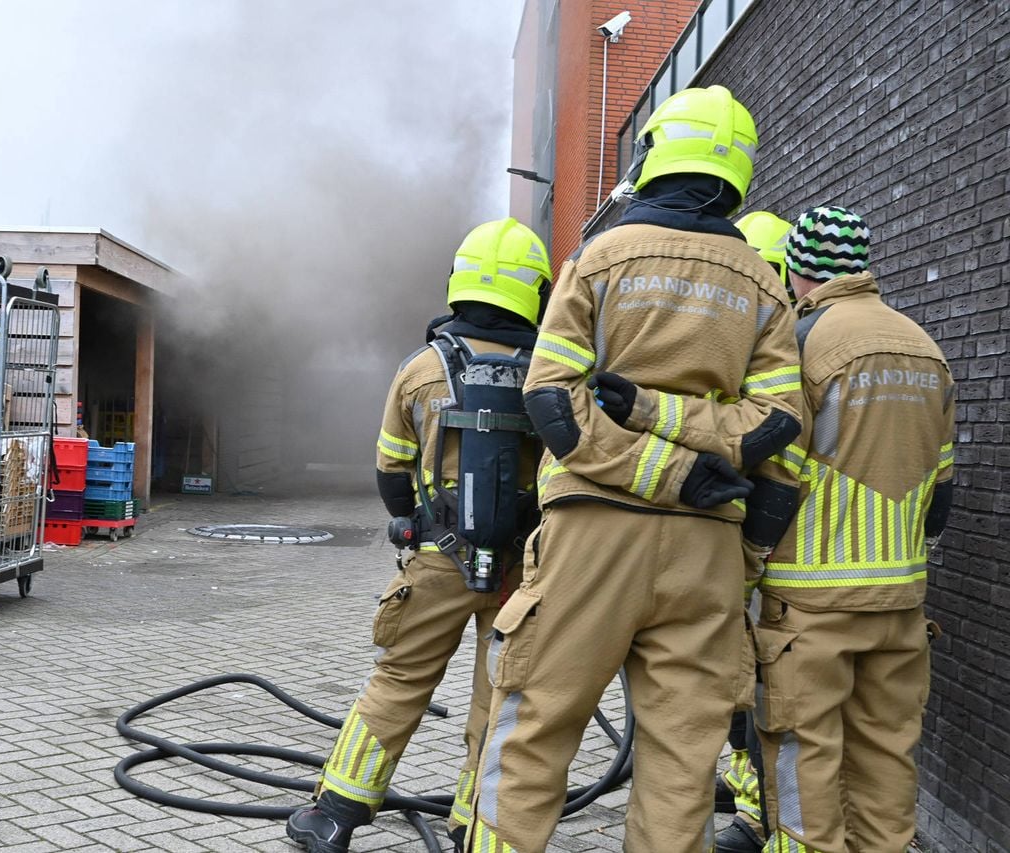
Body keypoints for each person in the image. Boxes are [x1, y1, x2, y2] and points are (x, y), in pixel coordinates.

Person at [464, 85, 804, 853]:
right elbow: (777, 426)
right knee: (684, 760)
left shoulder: (598, 258)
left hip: (590, 533)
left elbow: (550, 401)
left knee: (533, 735)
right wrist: (690, 466)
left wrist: (648, 445)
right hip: (707, 553)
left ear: (653, 155)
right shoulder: (765, 286)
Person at [286, 218, 551, 853]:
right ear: (535, 291)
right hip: (522, 569)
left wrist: (411, 521)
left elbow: (389, 468)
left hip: (439, 560)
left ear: (459, 281)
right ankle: (476, 827)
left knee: (400, 680)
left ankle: (335, 816)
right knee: (504, 698)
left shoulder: (421, 370)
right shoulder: (550, 369)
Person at [752, 206, 954, 853]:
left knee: (803, 762)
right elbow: (940, 498)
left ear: (798, 271)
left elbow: (778, 478)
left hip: (810, 608)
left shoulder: (802, 343)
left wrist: (745, 565)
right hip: (901, 604)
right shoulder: (925, 349)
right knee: (887, 758)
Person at [714, 209, 797, 853]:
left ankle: (755, 809)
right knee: (742, 683)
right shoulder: (765, 348)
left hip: (763, 551)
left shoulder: (776, 352)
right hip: (750, 544)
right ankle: (747, 795)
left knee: (759, 686)